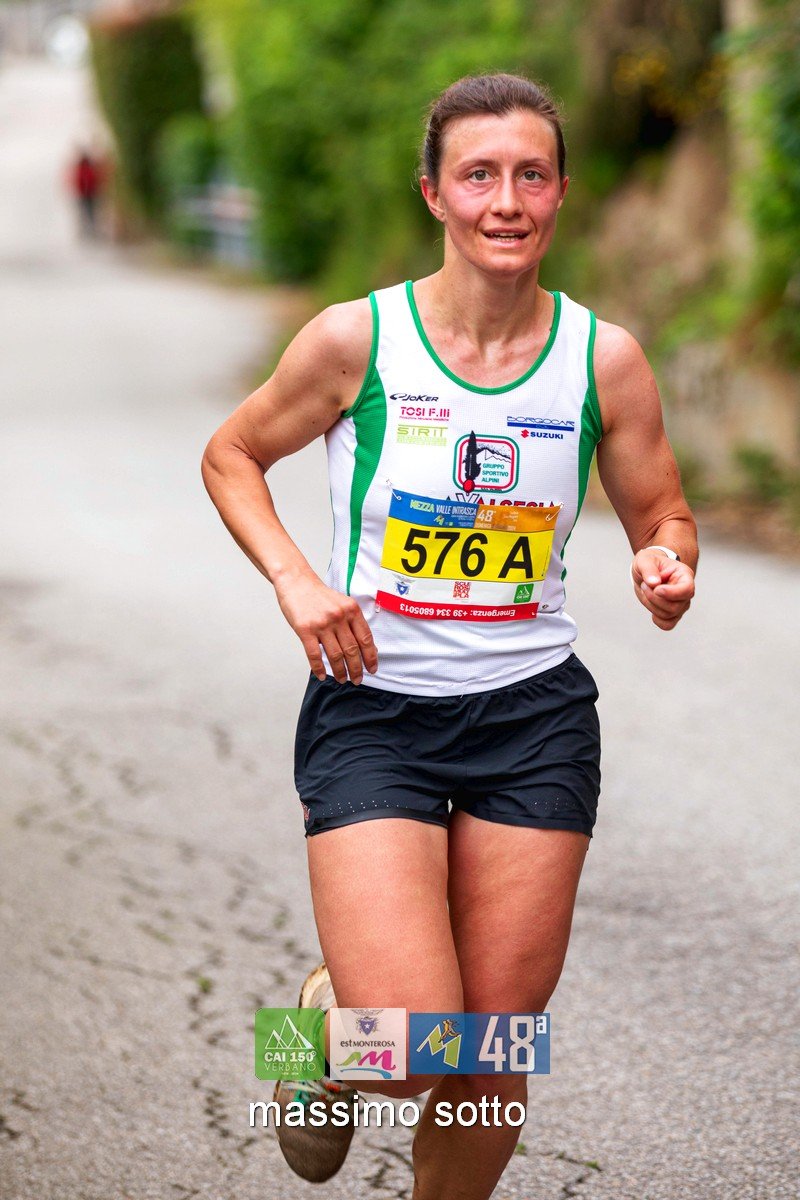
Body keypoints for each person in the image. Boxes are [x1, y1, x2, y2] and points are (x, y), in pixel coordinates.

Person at [202, 72, 697, 1199]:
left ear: (560, 192)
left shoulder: (601, 359)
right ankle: (313, 1032)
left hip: (533, 717)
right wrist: (295, 582)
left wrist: (667, 563)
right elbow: (231, 454)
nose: (505, 201)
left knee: (493, 1041)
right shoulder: (357, 340)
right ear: (434, 193)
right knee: (414, 1041)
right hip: (375, 707)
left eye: (531, 176)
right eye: (479, 176)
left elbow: (663, 513)